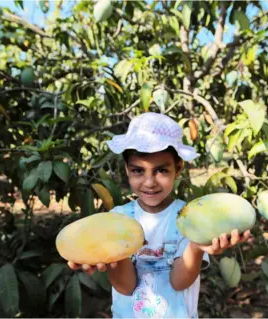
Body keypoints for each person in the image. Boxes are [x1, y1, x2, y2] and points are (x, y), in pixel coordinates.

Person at [67, 112, 251, 318]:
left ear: (178, 167)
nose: (149, 182)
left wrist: (197, 247)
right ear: (127, 169)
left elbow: (179, 282)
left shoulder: (191, 219)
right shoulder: (117, 220)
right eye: (138, 171)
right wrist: (109, 257)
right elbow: (126, 287)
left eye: (161, 170)